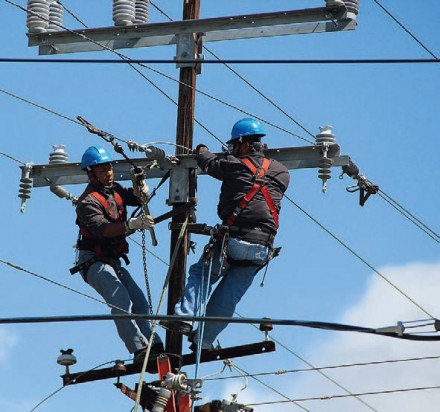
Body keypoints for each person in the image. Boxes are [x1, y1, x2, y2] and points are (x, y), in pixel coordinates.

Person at [161, 118, 290, 352]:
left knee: (202, 275)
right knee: (229, 295)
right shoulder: (282, 172)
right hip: (262, 247)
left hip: (234, 239)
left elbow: (209, 163)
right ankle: (204, 340)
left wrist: (201, 149)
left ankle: (184, 317)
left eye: (234, 147)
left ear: (242, 144)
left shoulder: (234, 165)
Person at [74, 145, 163, 361]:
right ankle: (139, 349)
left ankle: (154, 345)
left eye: (109, 169)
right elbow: (103, 229)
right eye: (103, 170)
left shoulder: (115, 191)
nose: (109, 173)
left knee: (140, 302)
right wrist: (132, 225)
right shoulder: (87, 202)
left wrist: (139, 185)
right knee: (120, 299)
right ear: (91, 173)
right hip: (93, 263)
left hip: (113, 261)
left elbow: (138, 199)